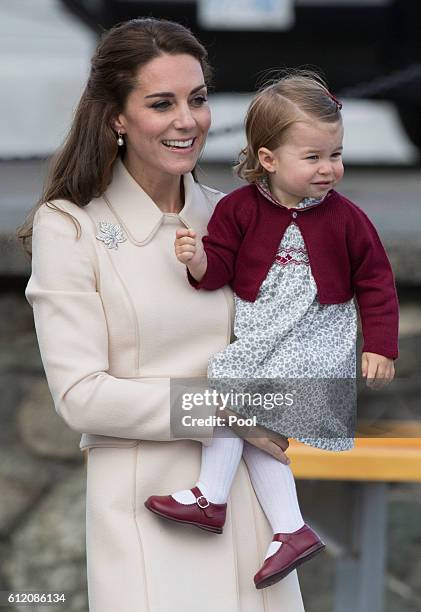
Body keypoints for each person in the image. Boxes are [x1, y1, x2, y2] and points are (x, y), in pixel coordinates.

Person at [18, 18, 306, 612]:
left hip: (254, 515)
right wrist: (222, 410)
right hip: (148, 514)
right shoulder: (70, 227)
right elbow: (80, 395)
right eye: (161, 102)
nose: (187, 120)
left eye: (197, 99)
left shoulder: (239, 215)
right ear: (116, 116)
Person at [144, 72, 399, 590]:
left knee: (228, 390)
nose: (329, 169)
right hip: (264, 340)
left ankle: (211, 499)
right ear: (268, 159)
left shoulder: (347, 219)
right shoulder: (239, 209)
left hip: (313, 343)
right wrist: (196, 263)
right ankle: (288, 528)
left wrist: (380, 346)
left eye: (336, 154)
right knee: (246, 417)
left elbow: (377, 280)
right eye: (313, 157)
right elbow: (218, 271)